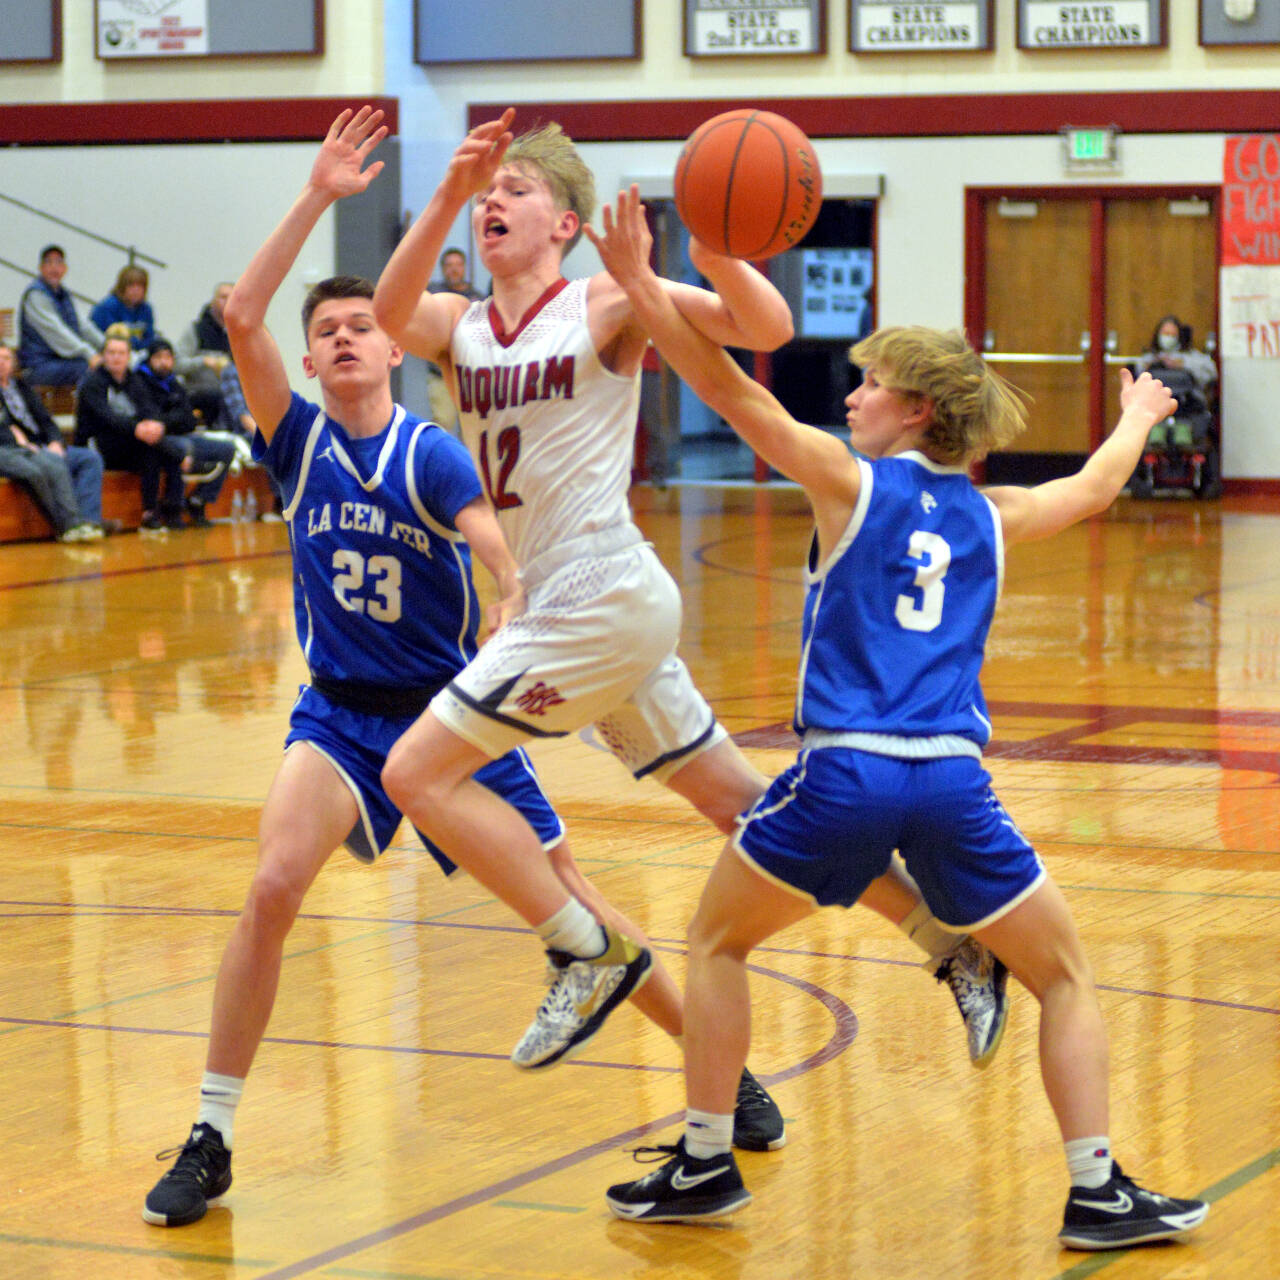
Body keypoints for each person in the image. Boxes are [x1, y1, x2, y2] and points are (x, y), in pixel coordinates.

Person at [140, 108, 776, 1233]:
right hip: (341, 716)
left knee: (576, 897)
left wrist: (515, 599)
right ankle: (211, 1128)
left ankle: (724, 1077)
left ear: (399, 347)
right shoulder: (295, 440)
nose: (341, 336)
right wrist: (323, 192)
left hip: (451, 702)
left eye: (357, 325)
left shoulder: (432, 447)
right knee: (271, 882)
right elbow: (241, 314)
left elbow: (499, 547)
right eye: (325, 327)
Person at [589, 187, 1210, 1251]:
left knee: (714, 941)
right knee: (1059, 972)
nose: (854, 391)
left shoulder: (849, 483)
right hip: (951, 784)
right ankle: (1096, 1189)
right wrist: (1138, 414)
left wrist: (644, 288)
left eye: (872, 382)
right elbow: (1097, 487)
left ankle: (701, 1159)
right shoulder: (994, 511)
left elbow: (736, 396)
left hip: (844, 772)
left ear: (917, 410)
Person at [372, 113, 1007, 1082]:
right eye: (486, 191)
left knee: (415, 773)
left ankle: (585, 945)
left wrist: (708, 247)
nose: (493, 200)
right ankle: (947, 938)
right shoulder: (455, 323)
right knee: (747, 813)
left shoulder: (600, 300)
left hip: (600, 591)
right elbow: (385, 310)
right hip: (568, 605)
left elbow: (765, 328)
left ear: (566, 221)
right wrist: (447, 196)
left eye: (515, 189)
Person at [0, 340, 111, 542]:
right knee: (48, 467)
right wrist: (20, 442)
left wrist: (55, 441)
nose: (2, 363)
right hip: (18, 449)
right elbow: (6, 428)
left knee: (89, 459)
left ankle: (89, 521)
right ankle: (69, 524)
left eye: (6, 358)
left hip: (42, 446)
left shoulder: (22, 386)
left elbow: (46, 420)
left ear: (13, 362)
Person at [75, 333, 186, 530]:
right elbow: (107, 418)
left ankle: (165, 510)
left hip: (130, 440)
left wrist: (152, 425)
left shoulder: (134, 380)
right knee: (164, 449)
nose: (116, 357)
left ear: (128, 357)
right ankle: (183, 458)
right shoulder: (92, 383)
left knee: (153, 451)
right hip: (99, 442)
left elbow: (149, 409)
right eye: (111, 353)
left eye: (121, 353)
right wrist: (138, 428)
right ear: (103, 356)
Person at [137, 338, 238, 526]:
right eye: (158, 357)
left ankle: (199, 499)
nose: (164, 362)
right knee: (182, 449)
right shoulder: (139, 382)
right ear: (150, 360)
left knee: (227, 449)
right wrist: (174, 419)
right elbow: (152, 420)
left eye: (168, 357)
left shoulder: (174, 383)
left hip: (182, 435)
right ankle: (172, 505)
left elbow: (189, 419)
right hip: (161, 440)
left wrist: (169, 420)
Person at [17, 244, 106, 387]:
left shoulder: (64, 294)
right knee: (90, 368)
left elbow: (84, 326)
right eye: (49, 262)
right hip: (38, 365)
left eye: (59, 262)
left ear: (65, 269)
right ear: (41, 268)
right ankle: (90, 409)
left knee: (110, 365)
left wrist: (108, 347)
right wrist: (90, 354)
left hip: (60, 361)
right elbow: (58, 333)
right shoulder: (35, 295)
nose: (54, 268)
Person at [422, 246, 484, 432]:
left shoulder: (477, 299)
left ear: (464, 267)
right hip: (439, 371)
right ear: (443, 269)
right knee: (443, 423)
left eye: (458, 265)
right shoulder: (432, 293)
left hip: (471, 375)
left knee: (473, 429)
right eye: (449, 265)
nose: (454, 269)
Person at [174, 282, 233, 424]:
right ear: (213, 301)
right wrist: (203, 361)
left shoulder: (240, 333)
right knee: (218, 397)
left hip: (231, 392)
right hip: (199, 392)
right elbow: (177, 365)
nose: (228, 302)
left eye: (232, 297)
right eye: (223, 297)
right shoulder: (196, 329)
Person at [1135, 314, 1217, 397]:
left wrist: (1182, 364)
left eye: (1172, 335)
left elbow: (1211, 372)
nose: (1168, 337)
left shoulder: (1190, 355)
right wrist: (1152, 364)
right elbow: (1139, 372)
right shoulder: (1149, 357)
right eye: (1165, 334)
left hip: (1187, 403)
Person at [91, 264, 157, 353]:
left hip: (137, 355)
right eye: (131, 286)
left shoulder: (146, 309)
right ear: (122, 287)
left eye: (140, 287)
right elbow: (113, 337)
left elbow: (150, 338)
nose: (136, 291)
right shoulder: (108, 307)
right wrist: (136, 343)